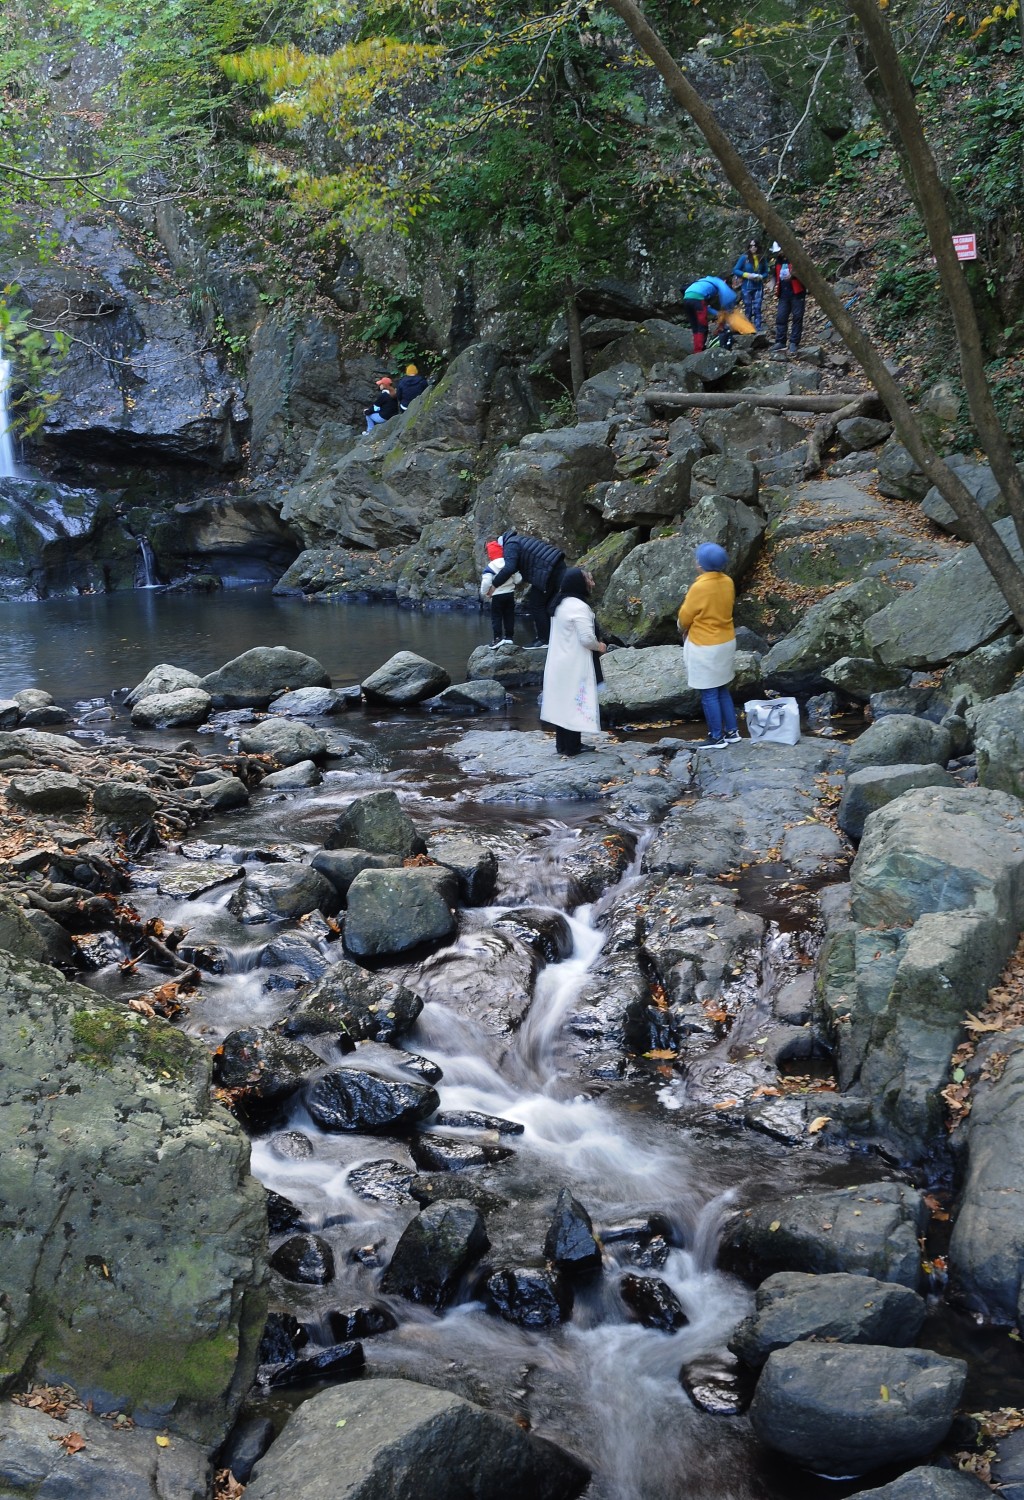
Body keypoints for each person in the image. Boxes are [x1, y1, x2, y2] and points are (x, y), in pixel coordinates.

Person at [677, 542, 741, 750]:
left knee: (709, 692)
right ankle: (732, 731)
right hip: (726, 641)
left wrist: (681, 627)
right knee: (722, 687)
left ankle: (716, 737)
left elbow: (685, 616)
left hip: (705, 645)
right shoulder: (728, 581)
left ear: (701, 564)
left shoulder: (700, 587)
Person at [540, 568, 607, 757]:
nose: (592, 584)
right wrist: (600, 646)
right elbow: (586, 639)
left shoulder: (560, 604)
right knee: (574, 702)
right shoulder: (579, 607)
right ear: (579, 584)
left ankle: (562, 745)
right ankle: (572, 747)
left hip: (558, 662)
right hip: (573, 663)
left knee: (563, 703)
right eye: (589, 580)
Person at [490, 529, 566, 644]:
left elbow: (509, 568)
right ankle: (552, 638)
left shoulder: (510, 544)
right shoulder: (516, 540)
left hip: (548, 570)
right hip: (555, 565)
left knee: (537, 604)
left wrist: (494, 585)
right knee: (548, 605)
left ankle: (544, 640)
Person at [680, 274, 739, 352]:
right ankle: (699, 350)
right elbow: (728, 298)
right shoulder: (719, 282)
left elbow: (706, 307)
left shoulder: (704, 281)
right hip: (698, 299)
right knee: (702, 326)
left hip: (686, 299)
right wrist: (729, 311)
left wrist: (718, 314)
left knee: (695, 326)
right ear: (724, 281)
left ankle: (697, 349)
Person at [769, 242, 807, 357]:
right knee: (781, 317)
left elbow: (804, 273)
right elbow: (775, 274)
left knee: (797, 317)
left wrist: (793, 276)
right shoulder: (778, 260)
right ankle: (780, 341)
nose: (779, 253)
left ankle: (794, 342)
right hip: (783, 294)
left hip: (797, 293)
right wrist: (772, 283)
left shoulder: (796, 258)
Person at [479, 539, 520, 645]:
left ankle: (497, 638)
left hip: (497, 596)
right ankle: (509, 637)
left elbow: (486, 582)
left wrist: (484, 592)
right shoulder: (509, 564)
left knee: (496, 617)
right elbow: (518, 579)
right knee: (509, 616)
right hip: (510, 594)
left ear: (490, 555)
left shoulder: (490, 567)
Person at [732, 239, 768, 331]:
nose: (753, 248)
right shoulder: (744, 258)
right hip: (746, 286)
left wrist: (761, 276)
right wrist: (746, 275)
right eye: (751, 246)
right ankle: (748, 328)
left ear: (758, 247)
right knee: (748, 307)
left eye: (755, 246)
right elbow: (735, 270)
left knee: (757, 307)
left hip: (758, 286)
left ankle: (758, 328)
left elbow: (766, 272)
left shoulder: (762, 258)